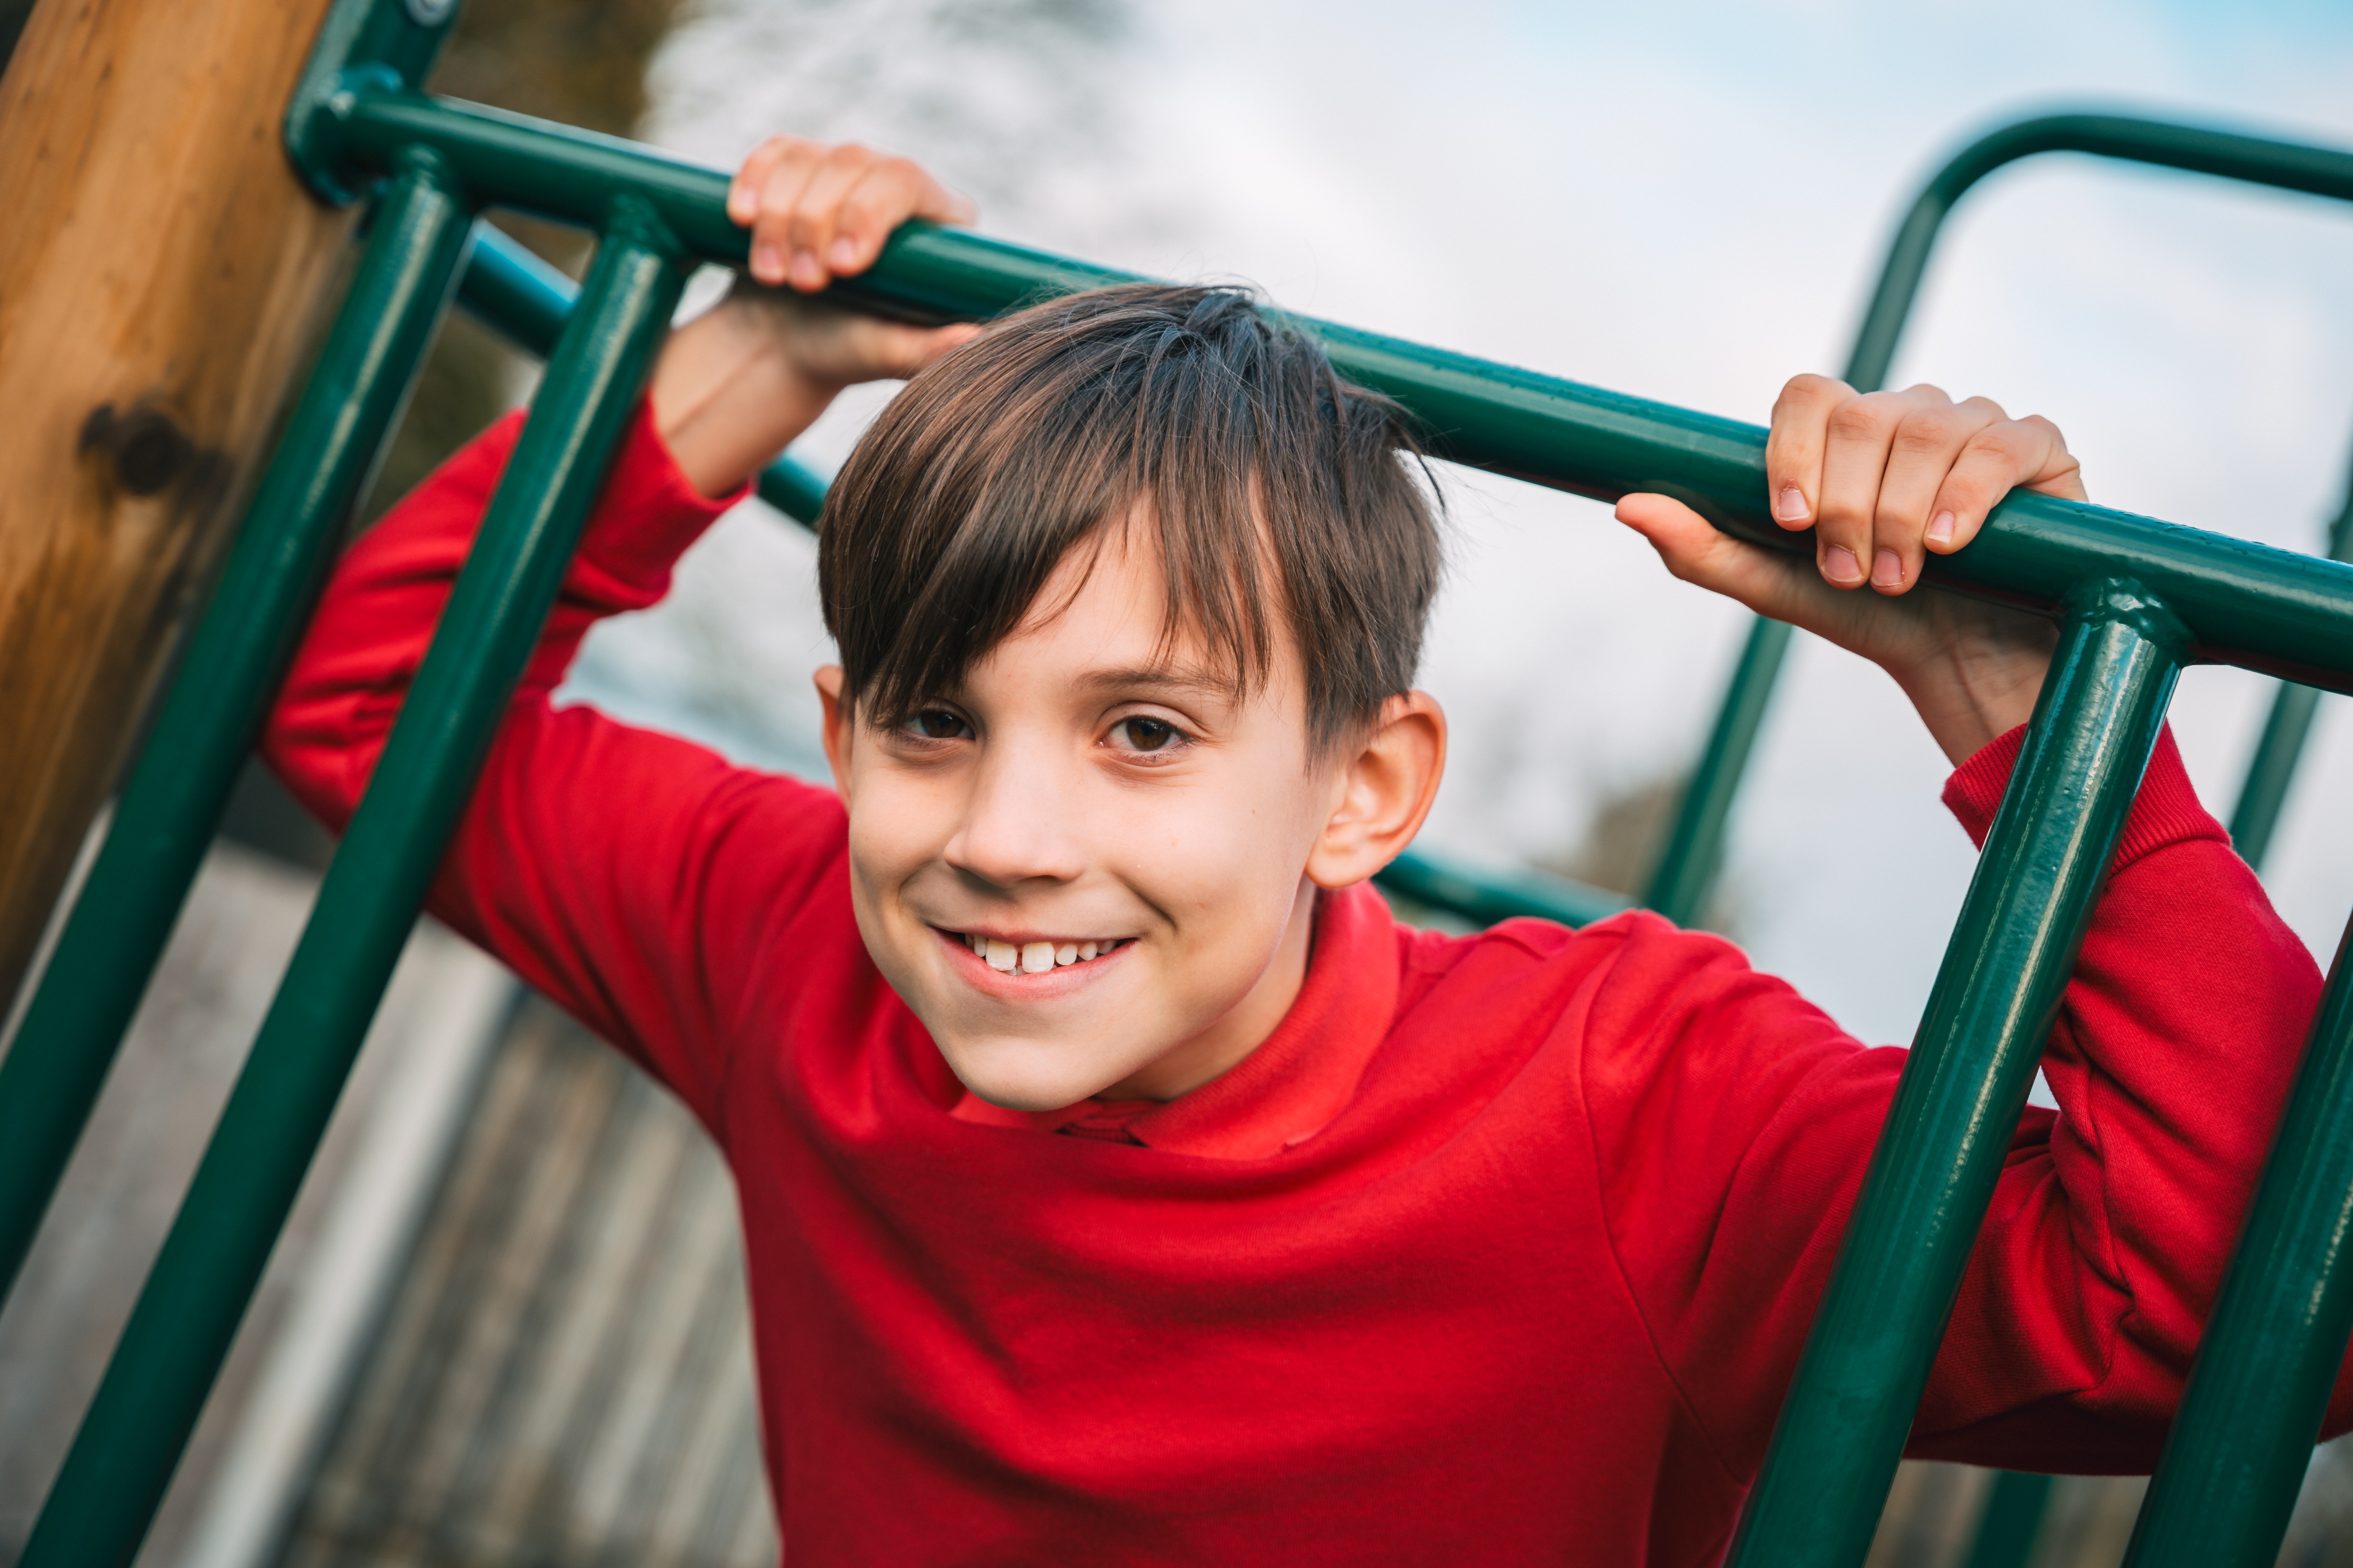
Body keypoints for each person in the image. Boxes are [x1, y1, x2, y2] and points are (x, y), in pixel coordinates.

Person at [265, 138, 2329, 1565]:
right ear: (839, 741)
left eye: (1144, 731)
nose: (1004, 836)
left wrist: (2016, 708)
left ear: (1369, 793)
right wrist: (767, 347)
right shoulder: (800, 929)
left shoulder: (1622, 1099)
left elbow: (2253, 1324)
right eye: (931, 720)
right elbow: (367, 718)